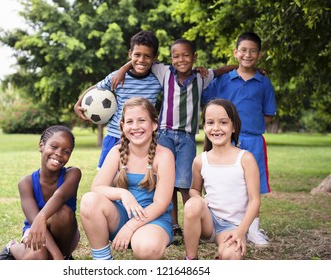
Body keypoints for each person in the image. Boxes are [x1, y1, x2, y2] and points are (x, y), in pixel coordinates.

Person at [111, 38, 235, 244]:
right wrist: (123, 69)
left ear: (194, 58)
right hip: (165, 134)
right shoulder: (164, 72)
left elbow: (221, 70)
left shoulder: (201, 77)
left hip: (187, 137)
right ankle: (173, 223)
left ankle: (191, 223)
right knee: (164, 181)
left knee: (185, 182)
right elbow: (140, 60)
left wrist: (246, 68)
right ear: (170, 59)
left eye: (186, 55)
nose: (181, 59)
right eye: (176, 56)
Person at [202, 32, 276, 246]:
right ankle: (218, 224)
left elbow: (268, 113)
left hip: (253, 140)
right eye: (243, 50)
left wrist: (249, 126)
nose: (248, 54)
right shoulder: (224, 79)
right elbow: (209, 103)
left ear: (259, 55)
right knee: (224, 181)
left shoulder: (264, 83)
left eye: (253, 51)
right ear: (236, 52)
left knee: (255, 184)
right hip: (226, 139)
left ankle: (252, 229)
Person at [80, 97, 175, 260]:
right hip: (121, 216)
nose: (135, 126)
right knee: (89, 200)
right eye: (130, 121)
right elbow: (97, 187)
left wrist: (131, 227)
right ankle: (103, 262)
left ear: (154, 124)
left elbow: (161, 204)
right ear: (123, 127)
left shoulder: (164, 156)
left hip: (152, 219)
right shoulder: (117, 152)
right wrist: (124, 194)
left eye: (141, 120)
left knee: (147, 249)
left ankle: (142, 239)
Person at [183, 98, 261, 260]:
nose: (216, 128)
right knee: (192, 204)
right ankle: (191, 260)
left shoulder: (245, 158)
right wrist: (198, 199)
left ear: (233, 126)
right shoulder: (200, 160)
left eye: (223, 122)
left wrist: (241, 231)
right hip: (208, 222)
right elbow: (194, 189)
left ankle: (222, 256)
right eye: (210, 123)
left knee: (231, 256)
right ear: (204, 127)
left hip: (232, 227)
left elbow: (255, 201)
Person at [74, 30, 162, 170]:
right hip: (115, 135)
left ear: (155, 57)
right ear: (130, 54)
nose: (141, 60)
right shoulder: (117, 77)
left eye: (147, 56)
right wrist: (78, 104)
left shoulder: (158, 79)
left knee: (135, 177)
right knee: (106, 176)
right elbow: (97, 87)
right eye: (137, 55)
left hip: (142, 138)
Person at [0, 125, 81, 260]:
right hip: (36, 230)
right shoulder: (26, 183)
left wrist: (42, 216)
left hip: (64, 234)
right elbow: (34, 220)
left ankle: (63, 255)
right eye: (54, 147)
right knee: (38, 254)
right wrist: (56, 256)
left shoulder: (73, 174)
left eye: (66, 151)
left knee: (63, 212)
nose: (59, 153)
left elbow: (61, 195)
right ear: (41, 146)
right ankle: (12, 247)